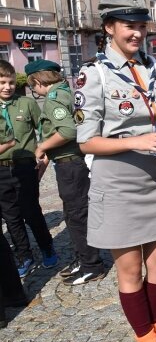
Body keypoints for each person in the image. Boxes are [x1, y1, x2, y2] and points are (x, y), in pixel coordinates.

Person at [76, 0, 156, 342]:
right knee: (131, 273)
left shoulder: (155, 66)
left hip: (155, 177)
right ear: (110, 28)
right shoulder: (94, 74)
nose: (137, 32)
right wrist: (134, 141)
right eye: (130, 25)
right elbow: (86, 141)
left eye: (142, 26)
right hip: (118, 180)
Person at [26, 59, 105, 285]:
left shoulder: (54, 99)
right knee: (74, 214)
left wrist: (42, 146)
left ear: (38, 80)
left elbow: (67, 131)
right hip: (72, 163)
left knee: (77, 215)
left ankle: (92, 264)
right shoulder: (66, 93)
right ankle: (82, 257)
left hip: (71, 165)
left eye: (33, 85)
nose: (34, 90)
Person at [0, 60, 58, 278]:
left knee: (31, 211)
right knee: (11, 217)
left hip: (25, 167)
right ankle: (24, 256)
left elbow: (45, 130)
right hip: (1, 169)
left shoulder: (26, 104)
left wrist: (44, 158)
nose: (7, 87)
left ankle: (46, 247)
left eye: (11, 82)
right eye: (3, 82)